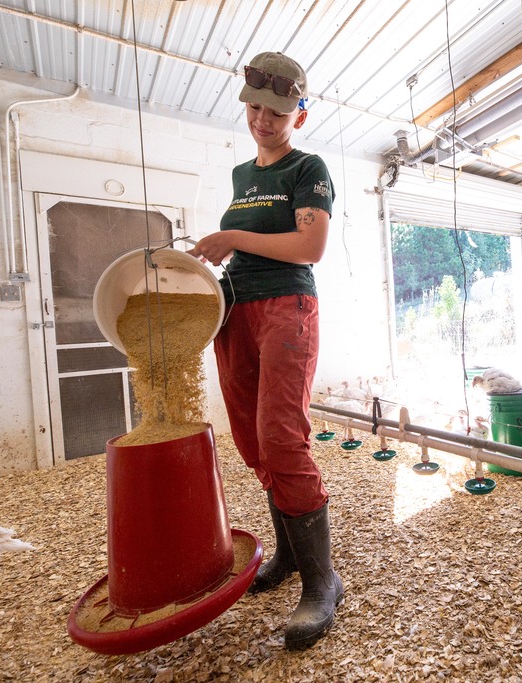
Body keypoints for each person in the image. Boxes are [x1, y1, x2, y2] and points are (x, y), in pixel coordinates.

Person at [188, 51, 341, 651]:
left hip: (285, 309)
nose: (262, 119)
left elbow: (310, 245)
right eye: (254, 107)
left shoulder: (308, 167)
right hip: (236, 313)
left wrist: (230, 236)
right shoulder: (240, 177)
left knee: (282, 436)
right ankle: (288, 553)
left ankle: (323, 579)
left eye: (276, 111)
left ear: (297, 114)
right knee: (253, 441)